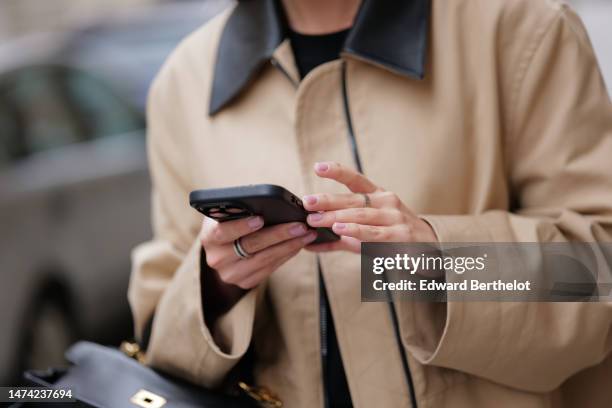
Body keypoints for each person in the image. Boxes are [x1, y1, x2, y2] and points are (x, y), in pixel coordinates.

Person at [128, 0, 612, 406]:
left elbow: (598, 274)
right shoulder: (184, 81)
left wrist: (437, 263)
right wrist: (215, 285)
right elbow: (157, 336)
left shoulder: (521, 28)